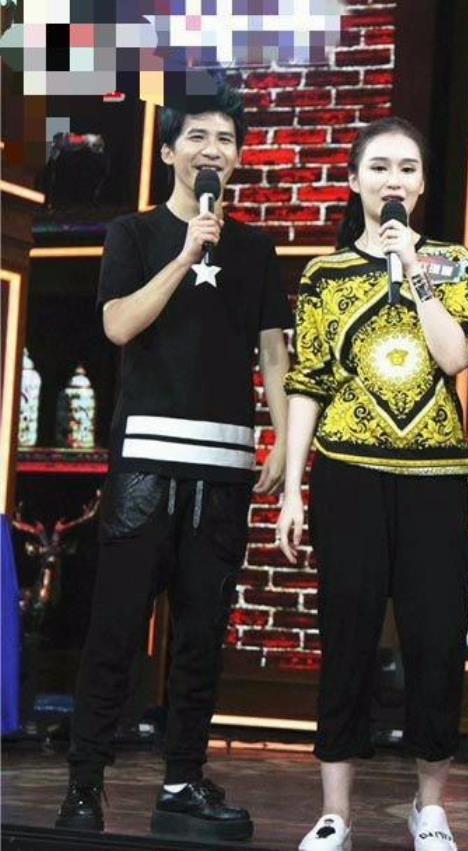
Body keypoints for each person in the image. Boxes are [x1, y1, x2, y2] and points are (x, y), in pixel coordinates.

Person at [55, 81, 292, 842]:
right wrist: (188, 254)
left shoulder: (256, 249)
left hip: (224, 467)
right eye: (197, 137)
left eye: (225, 139)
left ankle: (184, 780)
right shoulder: (133, 234)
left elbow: (274, 353)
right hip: (146, 467)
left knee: (201, 636)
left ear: (239, 157)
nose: (212, 150)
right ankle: (85, 784)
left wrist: (285, 442)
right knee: (116, 630)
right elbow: (119, 325)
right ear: (168, 151)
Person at [277, 117, 468, 851]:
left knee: (435, 639)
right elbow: (307, 383)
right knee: (347, 635)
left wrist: (414, 270)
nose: (393, 180)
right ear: (354, 180)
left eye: (407, 168)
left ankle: (430, 807)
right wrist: (293, 489)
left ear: (422, 184)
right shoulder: (324, 275)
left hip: (434, 476)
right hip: (348, 475)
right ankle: (336, 811)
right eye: (379, 167)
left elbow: (454, 357)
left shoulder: (454, 263)